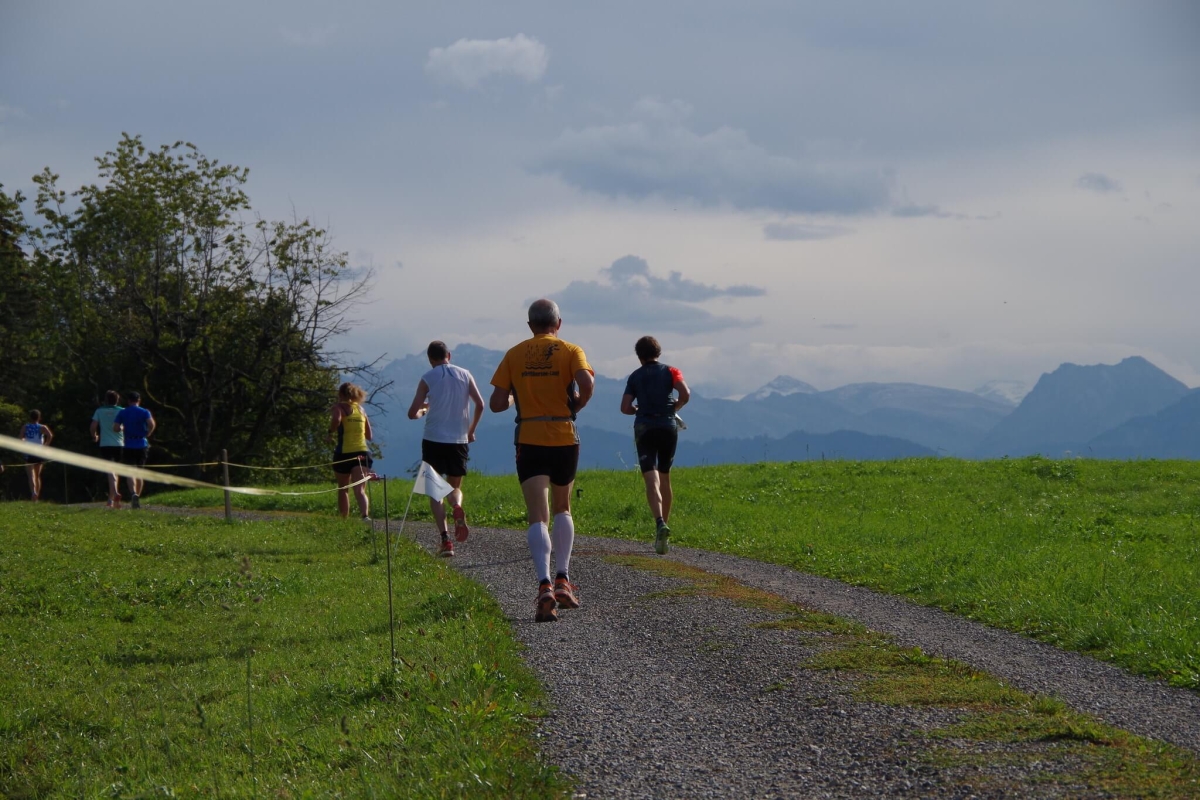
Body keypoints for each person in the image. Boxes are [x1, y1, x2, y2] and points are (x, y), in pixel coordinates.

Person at [490, 299, 594, 623]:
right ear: (558, 323)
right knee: (563, 507)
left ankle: (544, 584)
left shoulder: (514, 353)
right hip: (564, 435)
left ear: (530, 325)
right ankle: (563, 578)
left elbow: (496, 403)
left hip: (529, 436)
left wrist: (514, 395)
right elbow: (587, 383)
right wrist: (577, 404)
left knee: (538, 515)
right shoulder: (572, 350)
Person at [407, 341, 485, 558]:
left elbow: (412, 413)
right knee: (454, 487)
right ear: (448, 355)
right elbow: (480, 404)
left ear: (430, 359)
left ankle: (445, 540)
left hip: (433, 439)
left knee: (435, 491)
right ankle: (457, 506)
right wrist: (471, 431)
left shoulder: (427, 378)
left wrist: (425, 410)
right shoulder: (465, 374)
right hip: (459, 440)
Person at [620, 336, 690, 555]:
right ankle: (663, 533)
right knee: (665, 476)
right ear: (658, 352)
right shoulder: (672, 371)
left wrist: (637, 409)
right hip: (668, 426)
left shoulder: (635, 376)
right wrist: (675, 406)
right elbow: (685, 394)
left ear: (639, 356)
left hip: (644, 428)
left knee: (651, 478)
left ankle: (659, 522)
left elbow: (625, 407)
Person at [329, 382, 374, 521]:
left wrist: (330, 432)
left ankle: (344, 520)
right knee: (360, 489)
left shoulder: (339, 407)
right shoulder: (361, 410)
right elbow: (369, 436)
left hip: (344, 453)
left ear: (340, 394)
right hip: (362, 453)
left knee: (343, 488)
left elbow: (336, 419)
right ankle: (365, 516)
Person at [113, 391, 155, 509]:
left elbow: (115, 428)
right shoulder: (144, 412)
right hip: (141, 443)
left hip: (128, 444)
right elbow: (151, 424)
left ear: (128, 401)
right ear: (139, 400)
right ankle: (138, 497)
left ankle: (133, 493)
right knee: (140, 472)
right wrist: (148, 433)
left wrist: (122, 428)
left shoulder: (123, 412)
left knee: (130, 471)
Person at [90, 389, 125, 508]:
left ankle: (114, 494)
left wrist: (94, 436)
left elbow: (93, 426)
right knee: (115, 470)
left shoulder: (99, 411)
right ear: (117, 400)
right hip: (119, 443)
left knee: (110, 470)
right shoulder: (122, 411)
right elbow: (125, 425)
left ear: (105, 400)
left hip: (105, 444)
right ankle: (111, 499)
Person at [20, 409, 53, 501]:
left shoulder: (25, 427)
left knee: (31, 475)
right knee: (37, 475)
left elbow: (20, 438)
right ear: (39, 417)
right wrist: (45, 445)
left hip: (29, 452)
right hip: (39, 452)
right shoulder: (42, 427)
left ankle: (33, 492)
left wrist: (25, 442)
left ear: (30, 417)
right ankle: (37, 496)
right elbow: (50, 435)